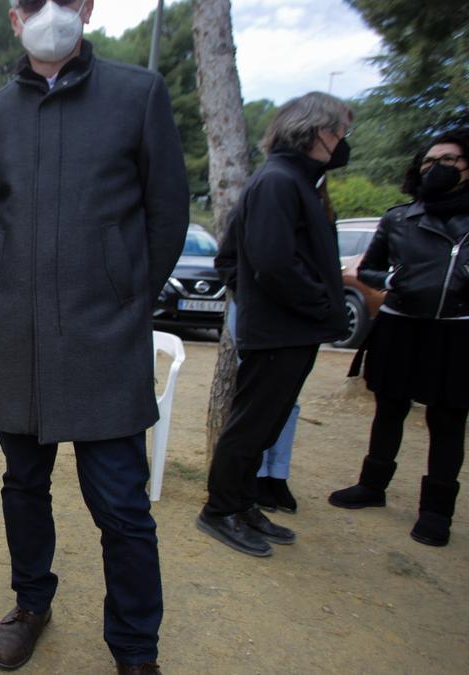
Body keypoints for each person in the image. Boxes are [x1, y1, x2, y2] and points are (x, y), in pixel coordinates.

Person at [0, 1, 189, 671]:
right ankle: (32, 601)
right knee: (23, 486)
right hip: (17, 342)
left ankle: (135, 645)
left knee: (122, 505)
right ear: (13, 18)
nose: (49, 14)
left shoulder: (138, 94)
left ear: (87, 7)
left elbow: (167, 214)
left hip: (105, 341)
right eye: (33, 3)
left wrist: (122, 293)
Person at [196, 92, 352, 558]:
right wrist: (322, 303)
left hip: (294, 328)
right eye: (339, 131)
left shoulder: (298, 182)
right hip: (281, 329)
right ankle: (219, 509)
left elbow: (236, 259)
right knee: (249, 425)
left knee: (266, 425)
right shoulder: (279, 181)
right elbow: (270, 262)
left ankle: (243, 503)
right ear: (315, 132)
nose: (343, 141)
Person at [329, 129, 469, 546]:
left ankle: (436, 511)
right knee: (389, 409)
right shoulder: (399, 218)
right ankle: (372, 486)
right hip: (401, 323)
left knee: (447, 420)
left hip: (456, 330)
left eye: (447, 160)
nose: (435, 168)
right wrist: (392, 279)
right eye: (428, 162)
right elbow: (369, 268)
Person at [215, 235, 302, 514]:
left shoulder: (314, 200)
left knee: (286, 403)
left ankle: (276, 474)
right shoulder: (268, 193)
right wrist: (249, 293)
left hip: (298, 316)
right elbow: (229, 259)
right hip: (260, 312)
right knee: (256, 401)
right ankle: (250, 482)